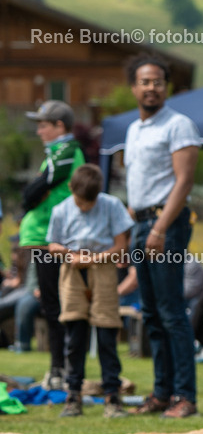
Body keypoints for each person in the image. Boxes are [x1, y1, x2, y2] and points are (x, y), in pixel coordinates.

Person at [124, 54, 202, 419]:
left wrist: (158, 228)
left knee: (171, 312)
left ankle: (185, 396)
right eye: (144, 81)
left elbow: (183, 182)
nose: (151, 87)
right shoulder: (134, 129)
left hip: (164, 224)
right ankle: (161, 393)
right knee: (151, 312)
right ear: (133, 87)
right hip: (141, 222)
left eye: (157, 81)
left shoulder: (179, 124)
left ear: (166, 86)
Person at [46, 164, 135, 418]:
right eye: (81, 201)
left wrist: (93, 258)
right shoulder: (61, 209)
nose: (86, 206)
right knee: (74, 337)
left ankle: (112, 397)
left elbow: (120, 247)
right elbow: (52, 244)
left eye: (90, 201)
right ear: (70, 189)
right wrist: (67, 253)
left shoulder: (111, 205)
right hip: (73, 272)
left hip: (103, 270)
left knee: (107, 334)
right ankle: (73, 396)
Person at [21, 100, 85, 390]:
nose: (39, 131)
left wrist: (29, 196)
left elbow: (37, 188)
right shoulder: (55, 152)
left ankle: (63, 370)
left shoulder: (67, 151)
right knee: (51, 306)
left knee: (59, 306)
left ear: (60, 126)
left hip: (54, 240)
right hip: (45, 239)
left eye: (43, 124)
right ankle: (59, 368)